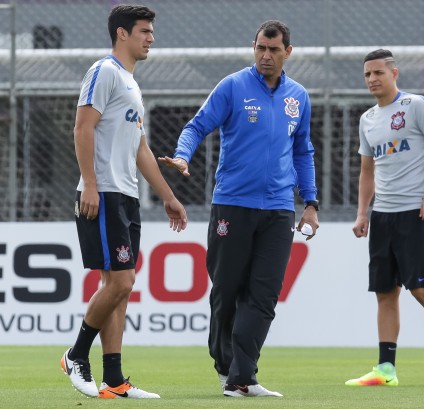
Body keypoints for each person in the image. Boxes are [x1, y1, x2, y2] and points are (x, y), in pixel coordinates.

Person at [159, 20, 319, 398]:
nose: (266, 56)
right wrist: (183, 157)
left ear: (288, 53)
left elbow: (303, 152)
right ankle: (224, 364)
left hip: (279, 209)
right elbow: (196, 127)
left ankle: (242, 376)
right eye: (261, 48)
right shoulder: (233, 86)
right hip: (232, 204)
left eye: (274, 50)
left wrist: (310, 203)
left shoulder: (299, 96)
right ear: (254, 47)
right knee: (227, 291)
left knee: (263, 295)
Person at [60, 4, 187, 399]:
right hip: (104, 193)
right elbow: (82, 126)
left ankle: (113, 380)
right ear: (122, 34)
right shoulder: (104, 72)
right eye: (144, 31)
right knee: (120, 281)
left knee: (119, 287)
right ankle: (76, 355)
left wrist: (168, 196)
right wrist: (91, 184)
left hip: (127, 196)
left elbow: (140, 148)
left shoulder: (131, 83)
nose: (151, 37)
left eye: (151, 31)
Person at [346, 49, 424, 387]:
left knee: (420, 288)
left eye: (378, 73)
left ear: (394, 74)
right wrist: (362, 213)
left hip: (416, 212)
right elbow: (367, 171)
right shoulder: (367, 119)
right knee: (385, 292)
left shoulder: (415, 105)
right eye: (367, 74)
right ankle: (386, 369)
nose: (372, 79)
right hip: (383, 216)